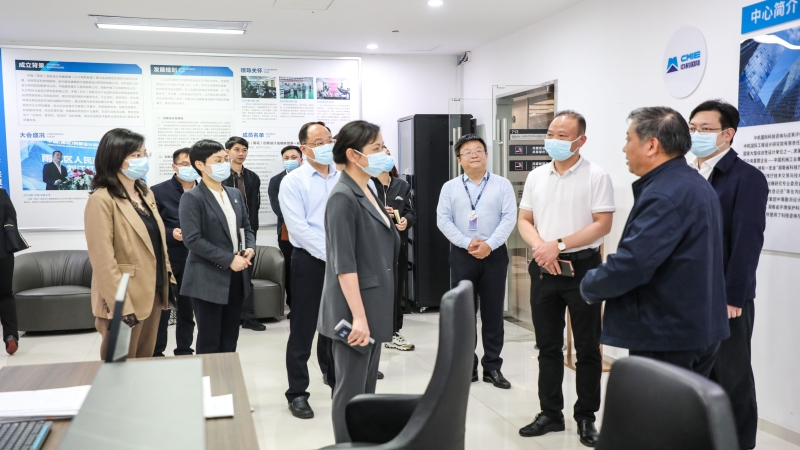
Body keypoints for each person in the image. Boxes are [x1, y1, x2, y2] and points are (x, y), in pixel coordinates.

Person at [580, 107, 729, 376]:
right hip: (697, 328)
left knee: (658, 416)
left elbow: (634, 263)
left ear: (651, 145)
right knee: (684, 416)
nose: (624, 149)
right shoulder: (694, 183)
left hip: (667, 333)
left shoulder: (664, 194)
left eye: (628, 139)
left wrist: (589, 284)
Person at [517, 111, 615, 447]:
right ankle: (550, 414)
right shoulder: (536, 176)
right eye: (551, 133)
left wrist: (557, 245)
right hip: (544, 269)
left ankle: (586, 417)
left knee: (588, 347)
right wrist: (542, 249)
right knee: (547, 345)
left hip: (583, 268)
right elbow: (525, 219)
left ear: (580, 140)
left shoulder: (596, 176)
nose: (554, 140)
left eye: (563, 135)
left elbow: (602, 224)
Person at [688, 100, 768, 450]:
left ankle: (739, 444)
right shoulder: (688, 175)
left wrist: (734, 295)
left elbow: (747, 242)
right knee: (694, 376)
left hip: (725, 298)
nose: (696, 135)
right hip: (688, 294)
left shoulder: (746, 178)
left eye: (705, 129)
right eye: (692, 128)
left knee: (731, 375)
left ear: (727, 134)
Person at [318, 120, 399, 443]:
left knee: (366, 394)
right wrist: (359, 318)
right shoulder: (342, 197)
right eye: (376, 148)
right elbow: (344, 264)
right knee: (350, 394)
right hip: (354, 313)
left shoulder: (369, 187)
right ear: (353, 154)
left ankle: (362, 444)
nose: (384, 153)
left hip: (373, 305)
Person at [84, 128, 173, 359]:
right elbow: (103, 260)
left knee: (143, 363)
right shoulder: (101, 199)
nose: (143, 160)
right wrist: (120, 306)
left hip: (152, 292)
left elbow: (157, 243)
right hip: (124, 298)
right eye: (136, 155)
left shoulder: (145, 194)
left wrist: (168, 279)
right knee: (120, 369)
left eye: (144, 154)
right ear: (115, 158)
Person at [436, 133, 516, 389]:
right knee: (463, 313)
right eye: (468, 152)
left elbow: (509, 218)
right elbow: (443, 220)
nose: (474, 155)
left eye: (478, 150)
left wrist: (489, 245)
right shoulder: (450, 187)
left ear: (486, 155)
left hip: (494, 254)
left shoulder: (502, 185)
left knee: (493, 313)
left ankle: (492, 367)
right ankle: (465, 367)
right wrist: (466, 242)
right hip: (463, 254)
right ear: (459, 159)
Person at [279, 121, 339, 418]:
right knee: (303, 330)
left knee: (337, 325)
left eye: (329, 139)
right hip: (310, 262)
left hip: (344, 261)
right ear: (304, 148)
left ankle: (334, 377)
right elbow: (298, 228)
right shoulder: (293, 181)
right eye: (318, 142)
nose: (326, 145)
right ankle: (297, 392)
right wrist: (332, 254)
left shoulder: (344, 177)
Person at [179, 140, 256, 354]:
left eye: (225, 159)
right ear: (200, 165)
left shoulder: (234, 194)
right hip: (207, 279)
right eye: (217, 160)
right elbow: (193, 240)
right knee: (210, 340)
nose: (224, 164)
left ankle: (227, 383)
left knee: (230, 338)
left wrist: (250, 247)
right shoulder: (192, 197)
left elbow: (247, 228)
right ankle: (209, 386)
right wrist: (230, 259)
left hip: (237, 277)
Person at [151, 148, 198, 357]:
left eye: (192, 164)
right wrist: (172, 233)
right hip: (169, 258)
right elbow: (151, 226)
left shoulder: (205, 190)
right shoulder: (158, 191)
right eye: (184, 164)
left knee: (188, 310)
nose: (189, 168)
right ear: (174, 166)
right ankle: (157, 350)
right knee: (163, 309)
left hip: (197, 259)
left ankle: (185, 349)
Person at [370, 148, 416, 351]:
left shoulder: (402, 185)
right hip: (374, 248)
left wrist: (406, 220)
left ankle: (394, 332)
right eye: (381, 154)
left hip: (398, 245)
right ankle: (375, 332)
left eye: (388, 154)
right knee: (377, 292)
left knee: (397, 290)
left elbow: (411, 211)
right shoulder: (368, 185)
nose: (386, 158)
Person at [223, 136, 264, 332]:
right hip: (226, 233)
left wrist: (251, 232)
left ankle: (248, 316)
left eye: (244, 150)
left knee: (247, 274)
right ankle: (229, 314)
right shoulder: (221, 176)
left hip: (247, 232)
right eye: (237, 149)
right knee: (228, 274)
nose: (241, 153)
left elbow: (255, 205)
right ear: (228, 151)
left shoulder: (253, 177)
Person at [267, 145, 303, 309]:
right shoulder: (276, 181)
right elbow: (277, 207)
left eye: (294, 157)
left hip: (310, 231)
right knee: (290, 268)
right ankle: (293, 304)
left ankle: (310, 304)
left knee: (308, 268)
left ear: (301, 159)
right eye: (286, 158)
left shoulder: (309, 177)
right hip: (286, 232)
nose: (290, 160)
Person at [0, 188, 20, 354]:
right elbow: (11, 218)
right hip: (3, 253)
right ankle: (10, 336)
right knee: (6, 295)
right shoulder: (1, 194)